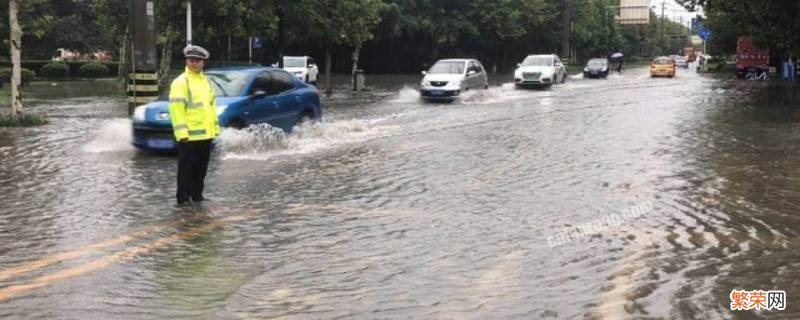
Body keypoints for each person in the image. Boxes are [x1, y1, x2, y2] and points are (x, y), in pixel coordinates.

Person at [168, 45, 220, 205]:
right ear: (187, 61)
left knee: (201, 170)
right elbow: (176, 109)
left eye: (198, 60)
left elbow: (211, 107)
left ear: (203, 63)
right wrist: (182, 134)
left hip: (206, 135)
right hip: (189, 137)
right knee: (186, 171)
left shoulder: (206, 82)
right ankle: (183, 200)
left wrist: (215, 130)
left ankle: (197, 196)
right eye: (192, 60)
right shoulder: (181, 82)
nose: (195, 63)